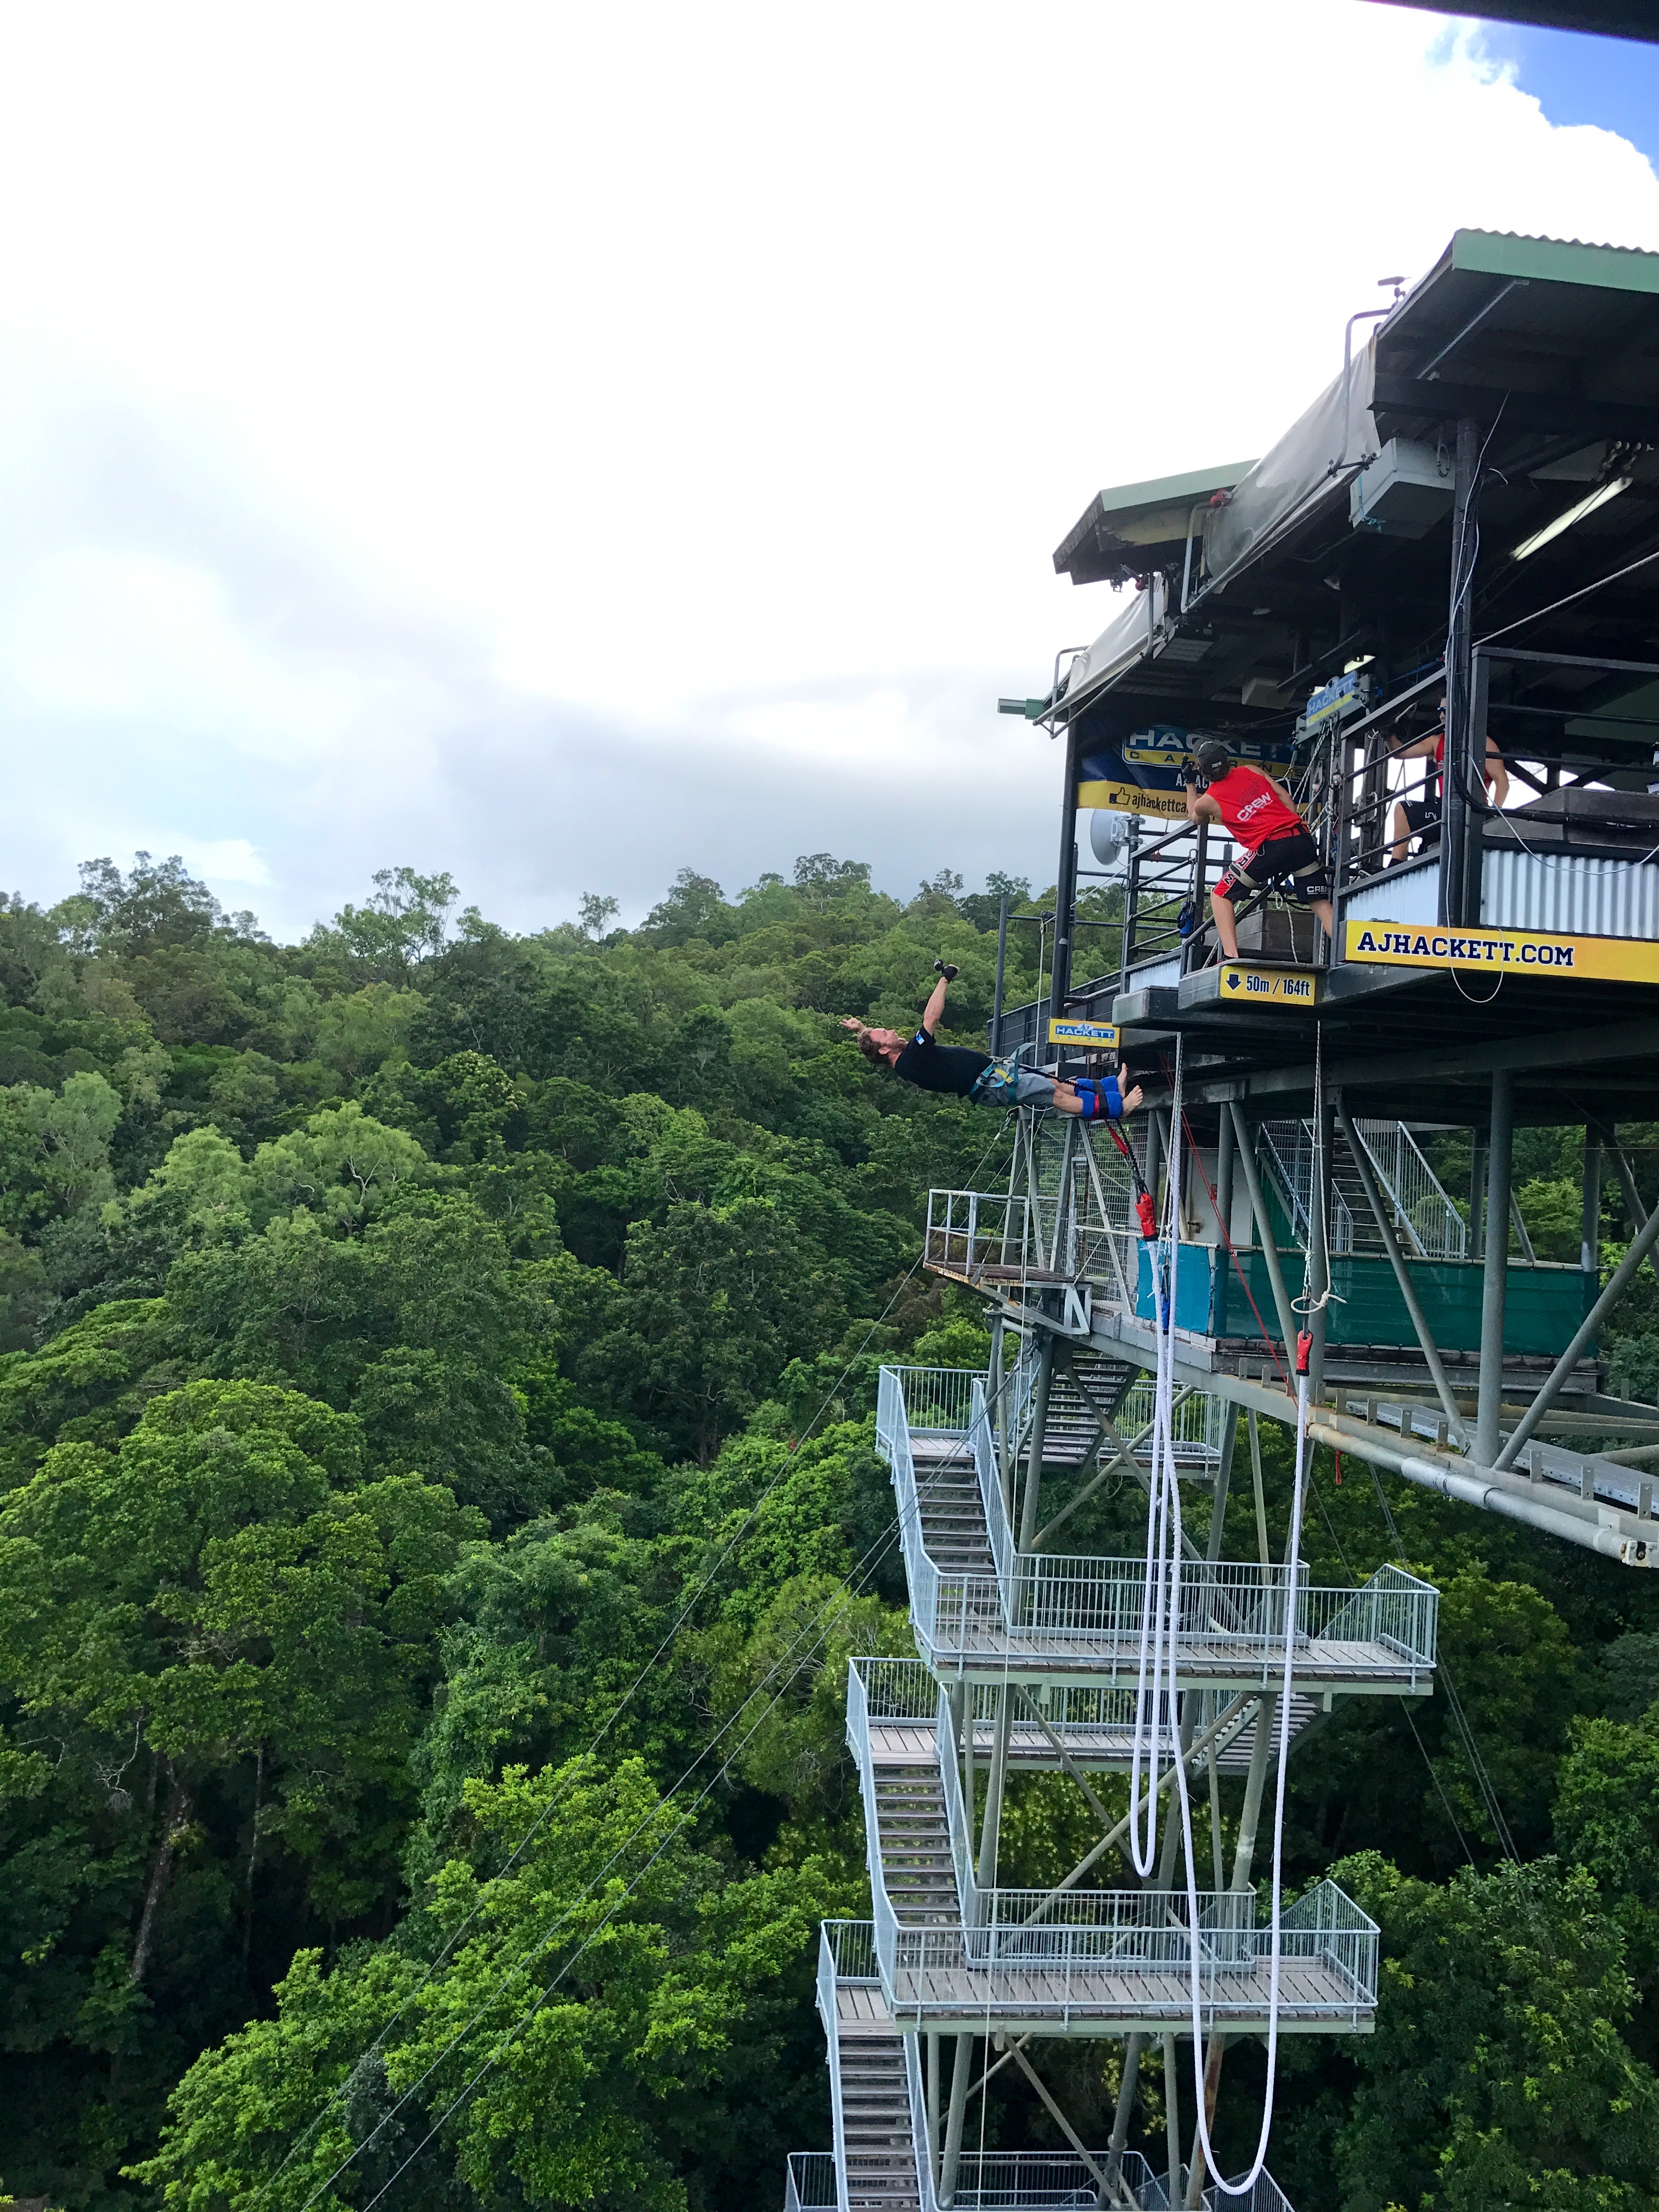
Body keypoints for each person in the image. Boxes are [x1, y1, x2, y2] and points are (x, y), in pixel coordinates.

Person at [841, 965, 1143, 1120]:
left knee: (1056, 1082)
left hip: (995, 1075)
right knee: (1056, 1095)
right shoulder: (911, 1061)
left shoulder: (904, 1055)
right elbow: (930, 1018)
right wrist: (944, 980)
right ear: (884, 1049)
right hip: (992, 1085)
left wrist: (863, 1028)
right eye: (884, 1033)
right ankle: (1119, 1108)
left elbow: (881, 1044)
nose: (891, 1030)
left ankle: (1111, 1087)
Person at [1183, 738, 1335, 962]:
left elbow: (1195, 818)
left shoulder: (1206, 801)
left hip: (1271, 846)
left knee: (1220, 895)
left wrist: (1189, 783)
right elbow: (1286, 799)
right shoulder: (1251, 770)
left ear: (1202, 771)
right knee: (1319, 901)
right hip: (1300, 838)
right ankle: (1347, 950)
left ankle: (1230, 956)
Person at [1387, 693, 1509, 865]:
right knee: (1404, 809)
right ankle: (1395, 866)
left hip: (1471, 811)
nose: (1442, 715)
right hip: (1445, 811)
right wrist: (1388, 734)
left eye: (1446, 710)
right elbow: (1399, 753)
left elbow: (1502, 781)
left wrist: (1494, 814)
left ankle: (1396, 867)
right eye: (1440, 710)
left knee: (1404, 810)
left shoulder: (1483, 742)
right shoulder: (1436, 742)